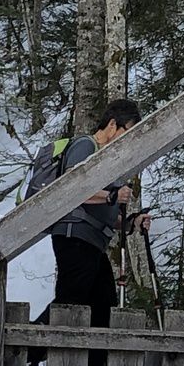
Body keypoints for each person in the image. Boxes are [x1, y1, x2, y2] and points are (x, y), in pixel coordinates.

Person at [47, 99, 147, 333]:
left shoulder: (106, 159)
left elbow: (103, 210)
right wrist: (112, 196)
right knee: (72, 299)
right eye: (127, 131)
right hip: (74, 235)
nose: (127, 139)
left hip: (92, 240)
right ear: (112, 124)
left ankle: (94, 356)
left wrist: (131, 223)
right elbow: (71, 188)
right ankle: (34, 344)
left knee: (101, 302)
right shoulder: (86, 145)